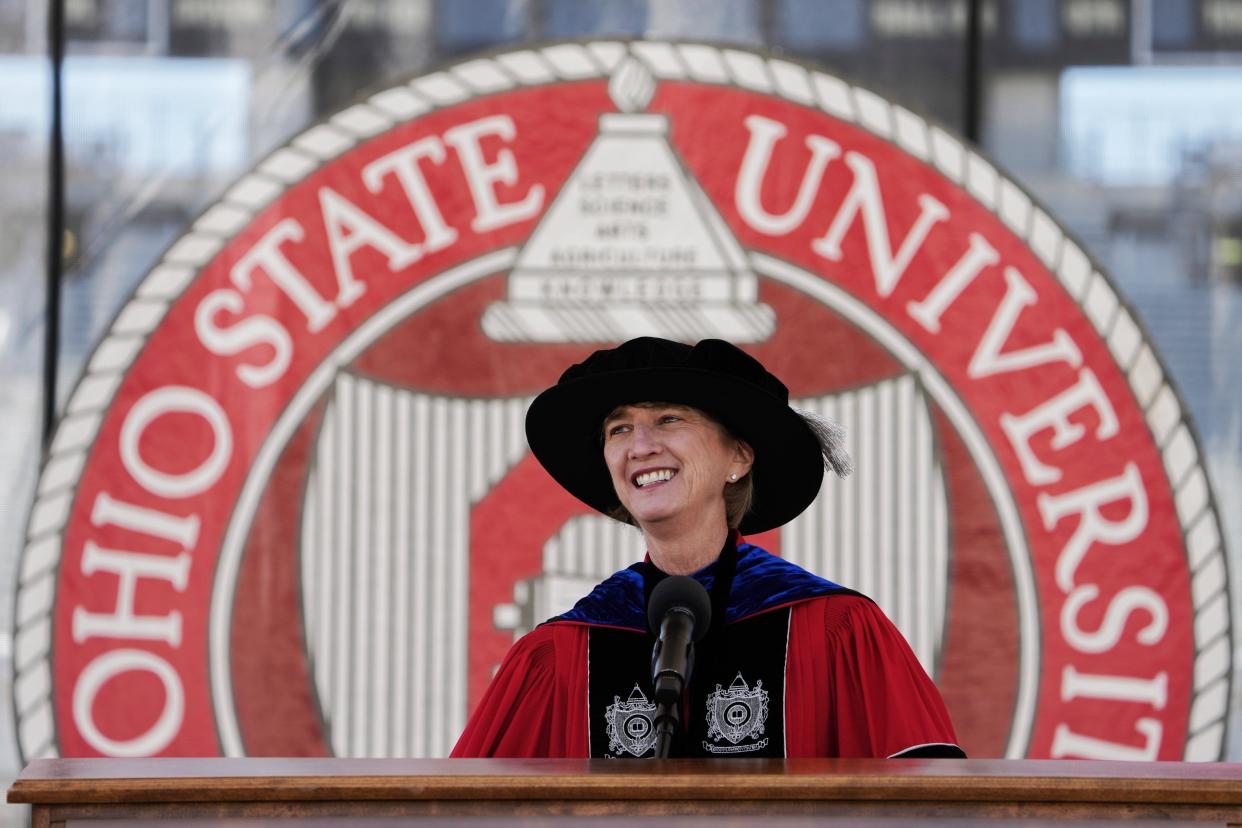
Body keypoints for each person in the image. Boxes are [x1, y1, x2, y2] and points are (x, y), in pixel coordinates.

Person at [452, 337, 964, 759]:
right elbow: (462, 813)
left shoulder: (836, 630)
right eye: (619, 428)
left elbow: (927, 806)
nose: (640, 445)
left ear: (738, 457)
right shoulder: (563, 653)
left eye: (669, 419)